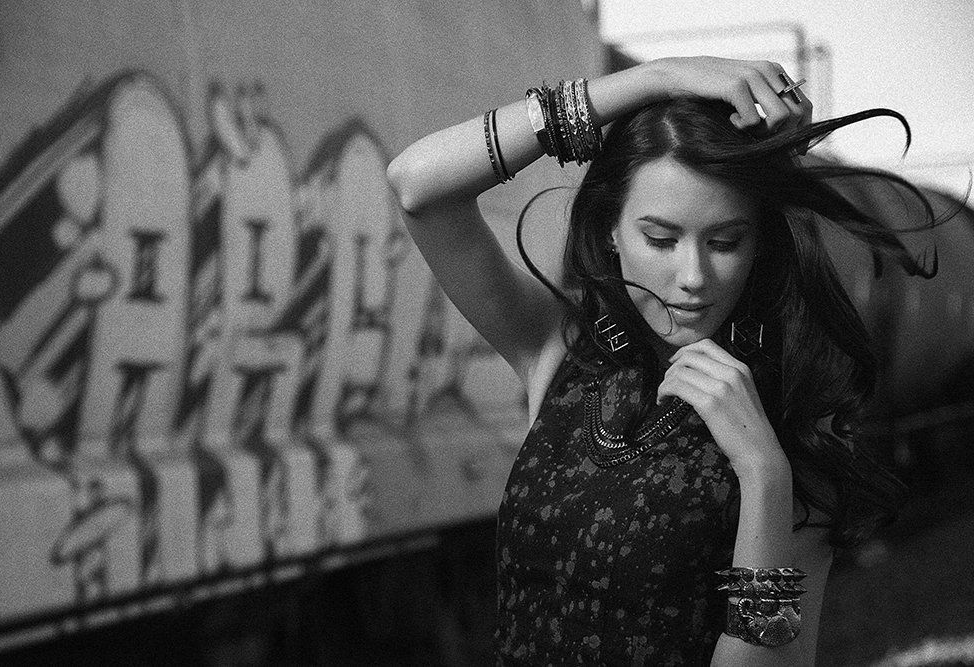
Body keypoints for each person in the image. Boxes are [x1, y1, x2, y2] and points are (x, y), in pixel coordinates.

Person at [387, 57, 938, 665]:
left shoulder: (793, 430)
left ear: (759, 246)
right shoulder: (559, 353)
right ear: (610, 231)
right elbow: (418, 185)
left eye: (725, 242)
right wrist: (655, 81)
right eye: (661, 239)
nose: (694, 276)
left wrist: (763, 475)